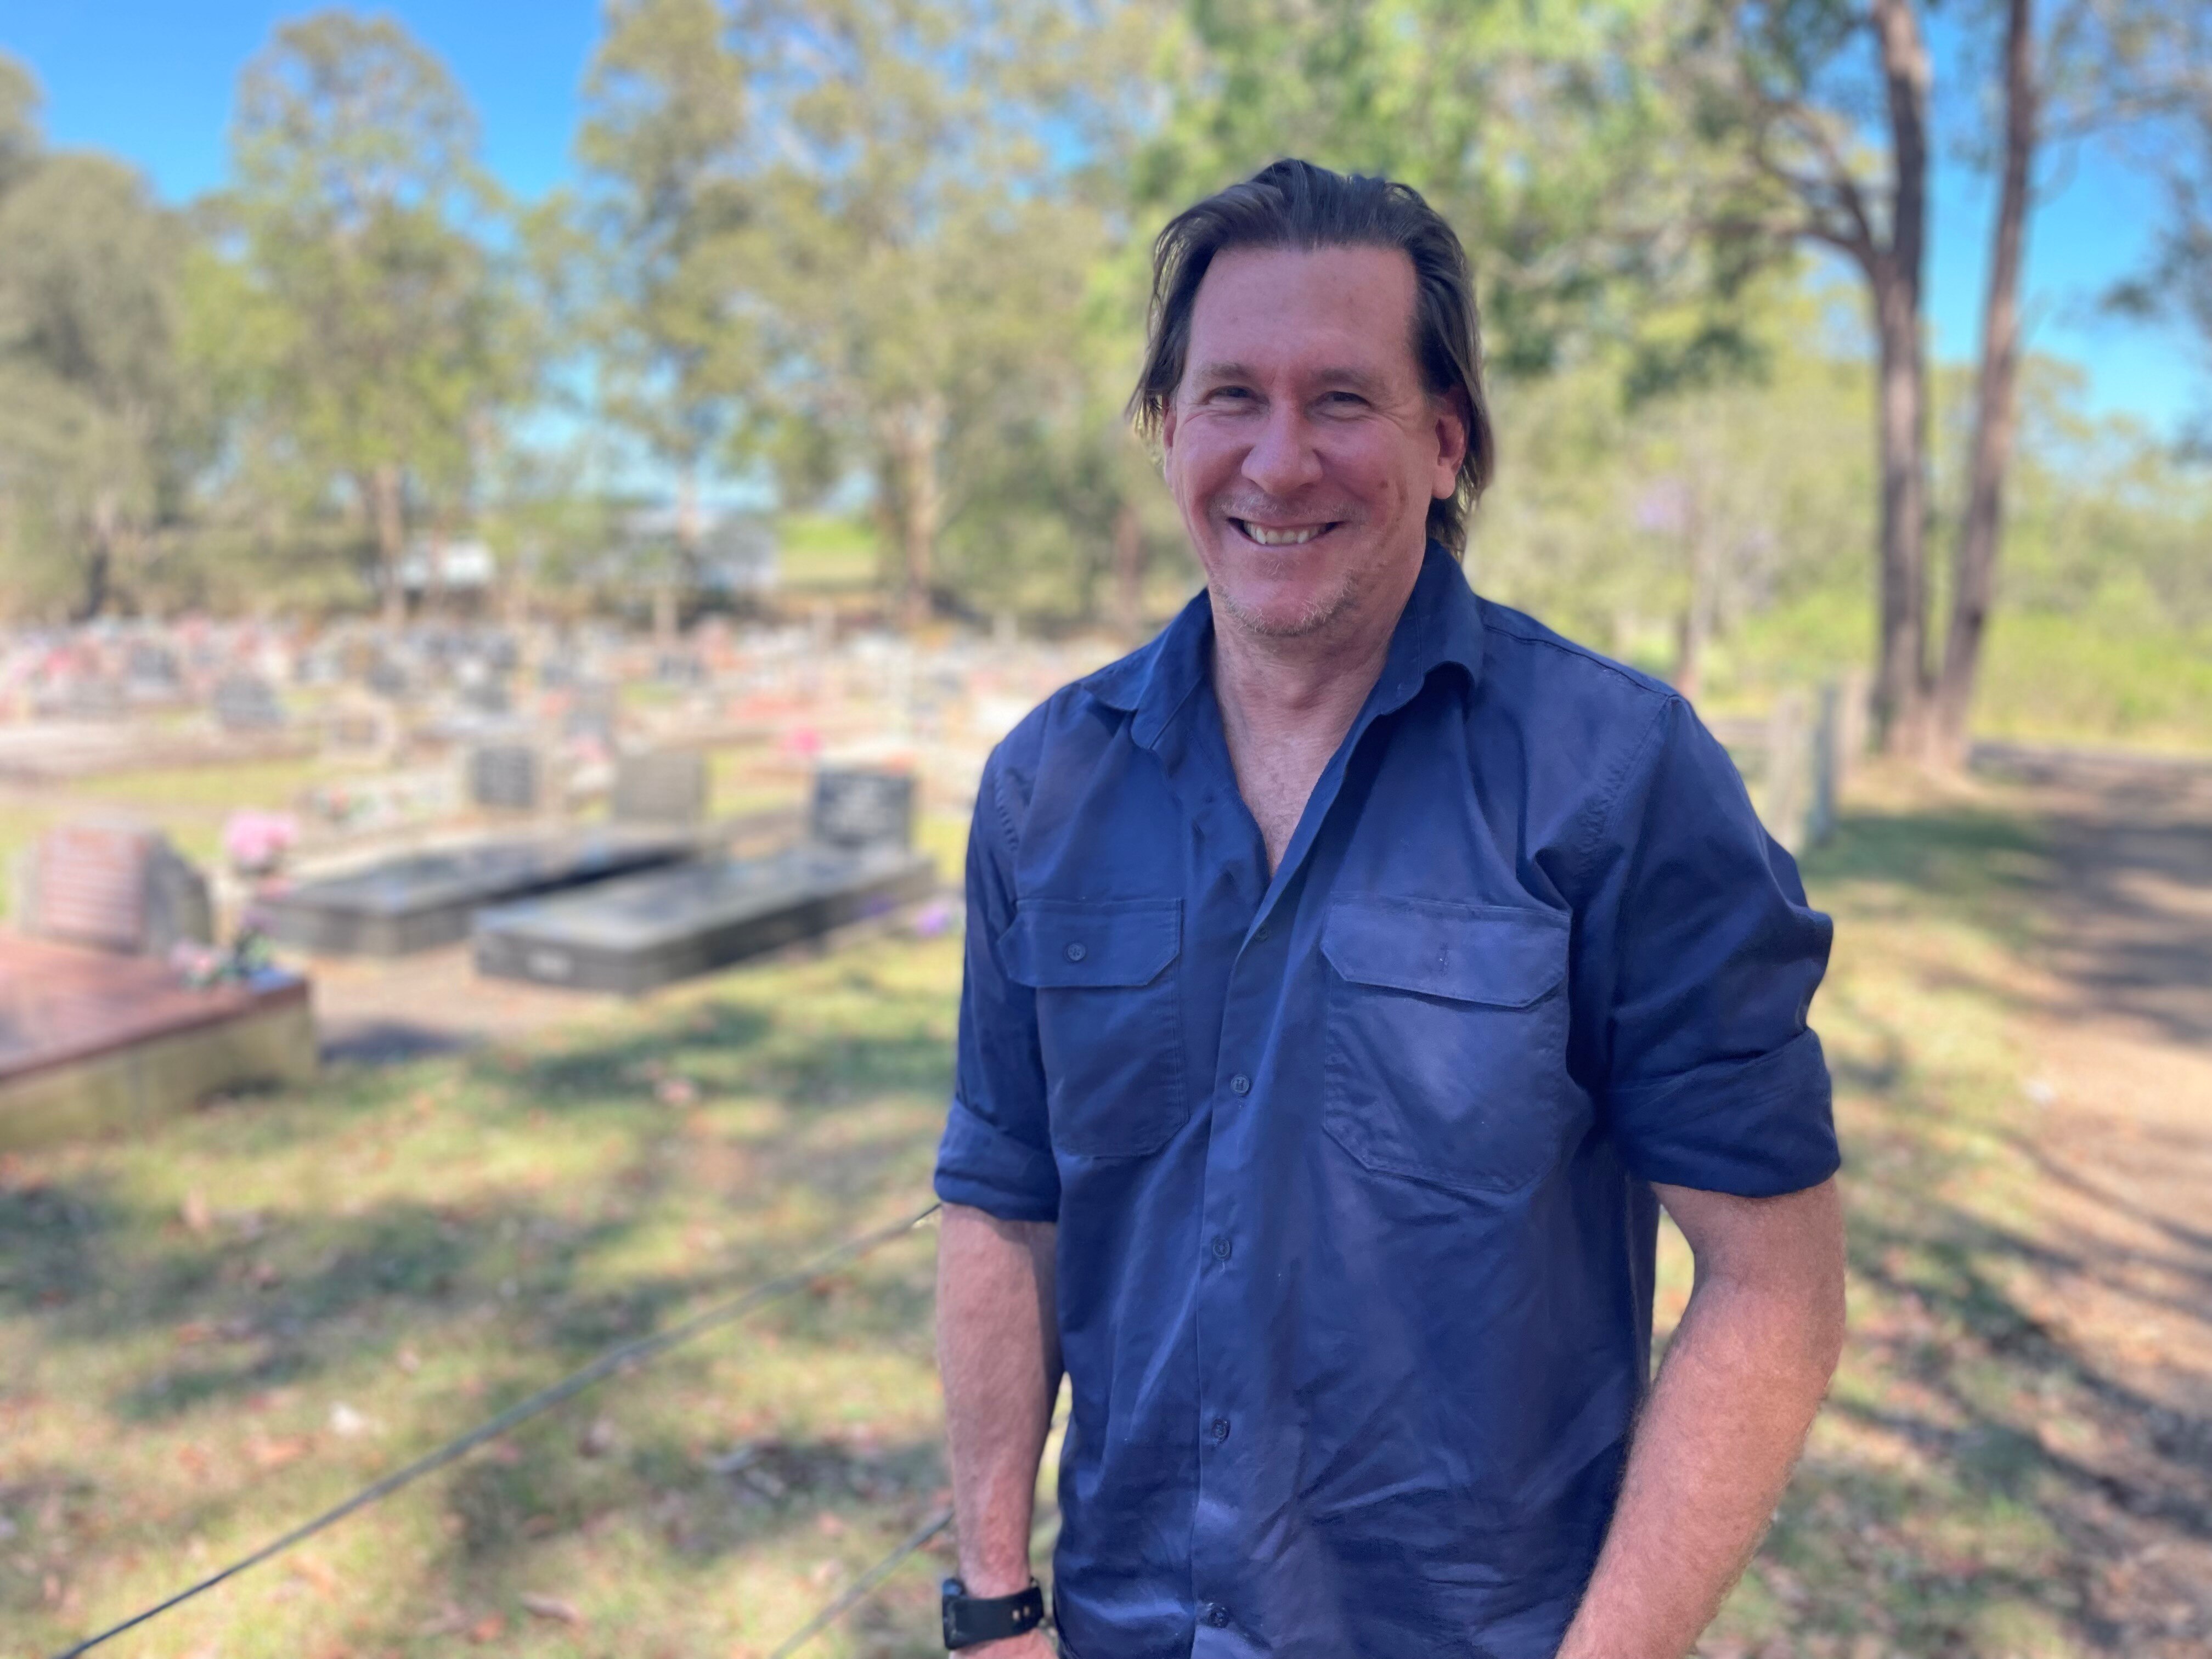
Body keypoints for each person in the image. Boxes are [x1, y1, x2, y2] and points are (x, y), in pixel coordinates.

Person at [932, 157, 1846, 1659]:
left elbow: (1776, 1288)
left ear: (1445, 441)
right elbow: (1003, 1200)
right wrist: (991, 1601)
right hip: (1124, 1627)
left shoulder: (1614, 776)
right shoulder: (1048, 787)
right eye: (1230, 396)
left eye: (1341, 401)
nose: (1278, 463)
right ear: (1168, 431)